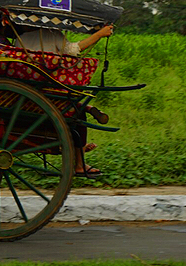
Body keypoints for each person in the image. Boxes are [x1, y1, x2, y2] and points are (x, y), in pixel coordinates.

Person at [16, 24, 115, 177]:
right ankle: (79, 163)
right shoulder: (51, 33)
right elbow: (72, 50)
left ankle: (75, 150)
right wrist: (99, 35)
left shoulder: (19, 40)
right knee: (78, 113)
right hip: (51, 98)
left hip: (25, 98)